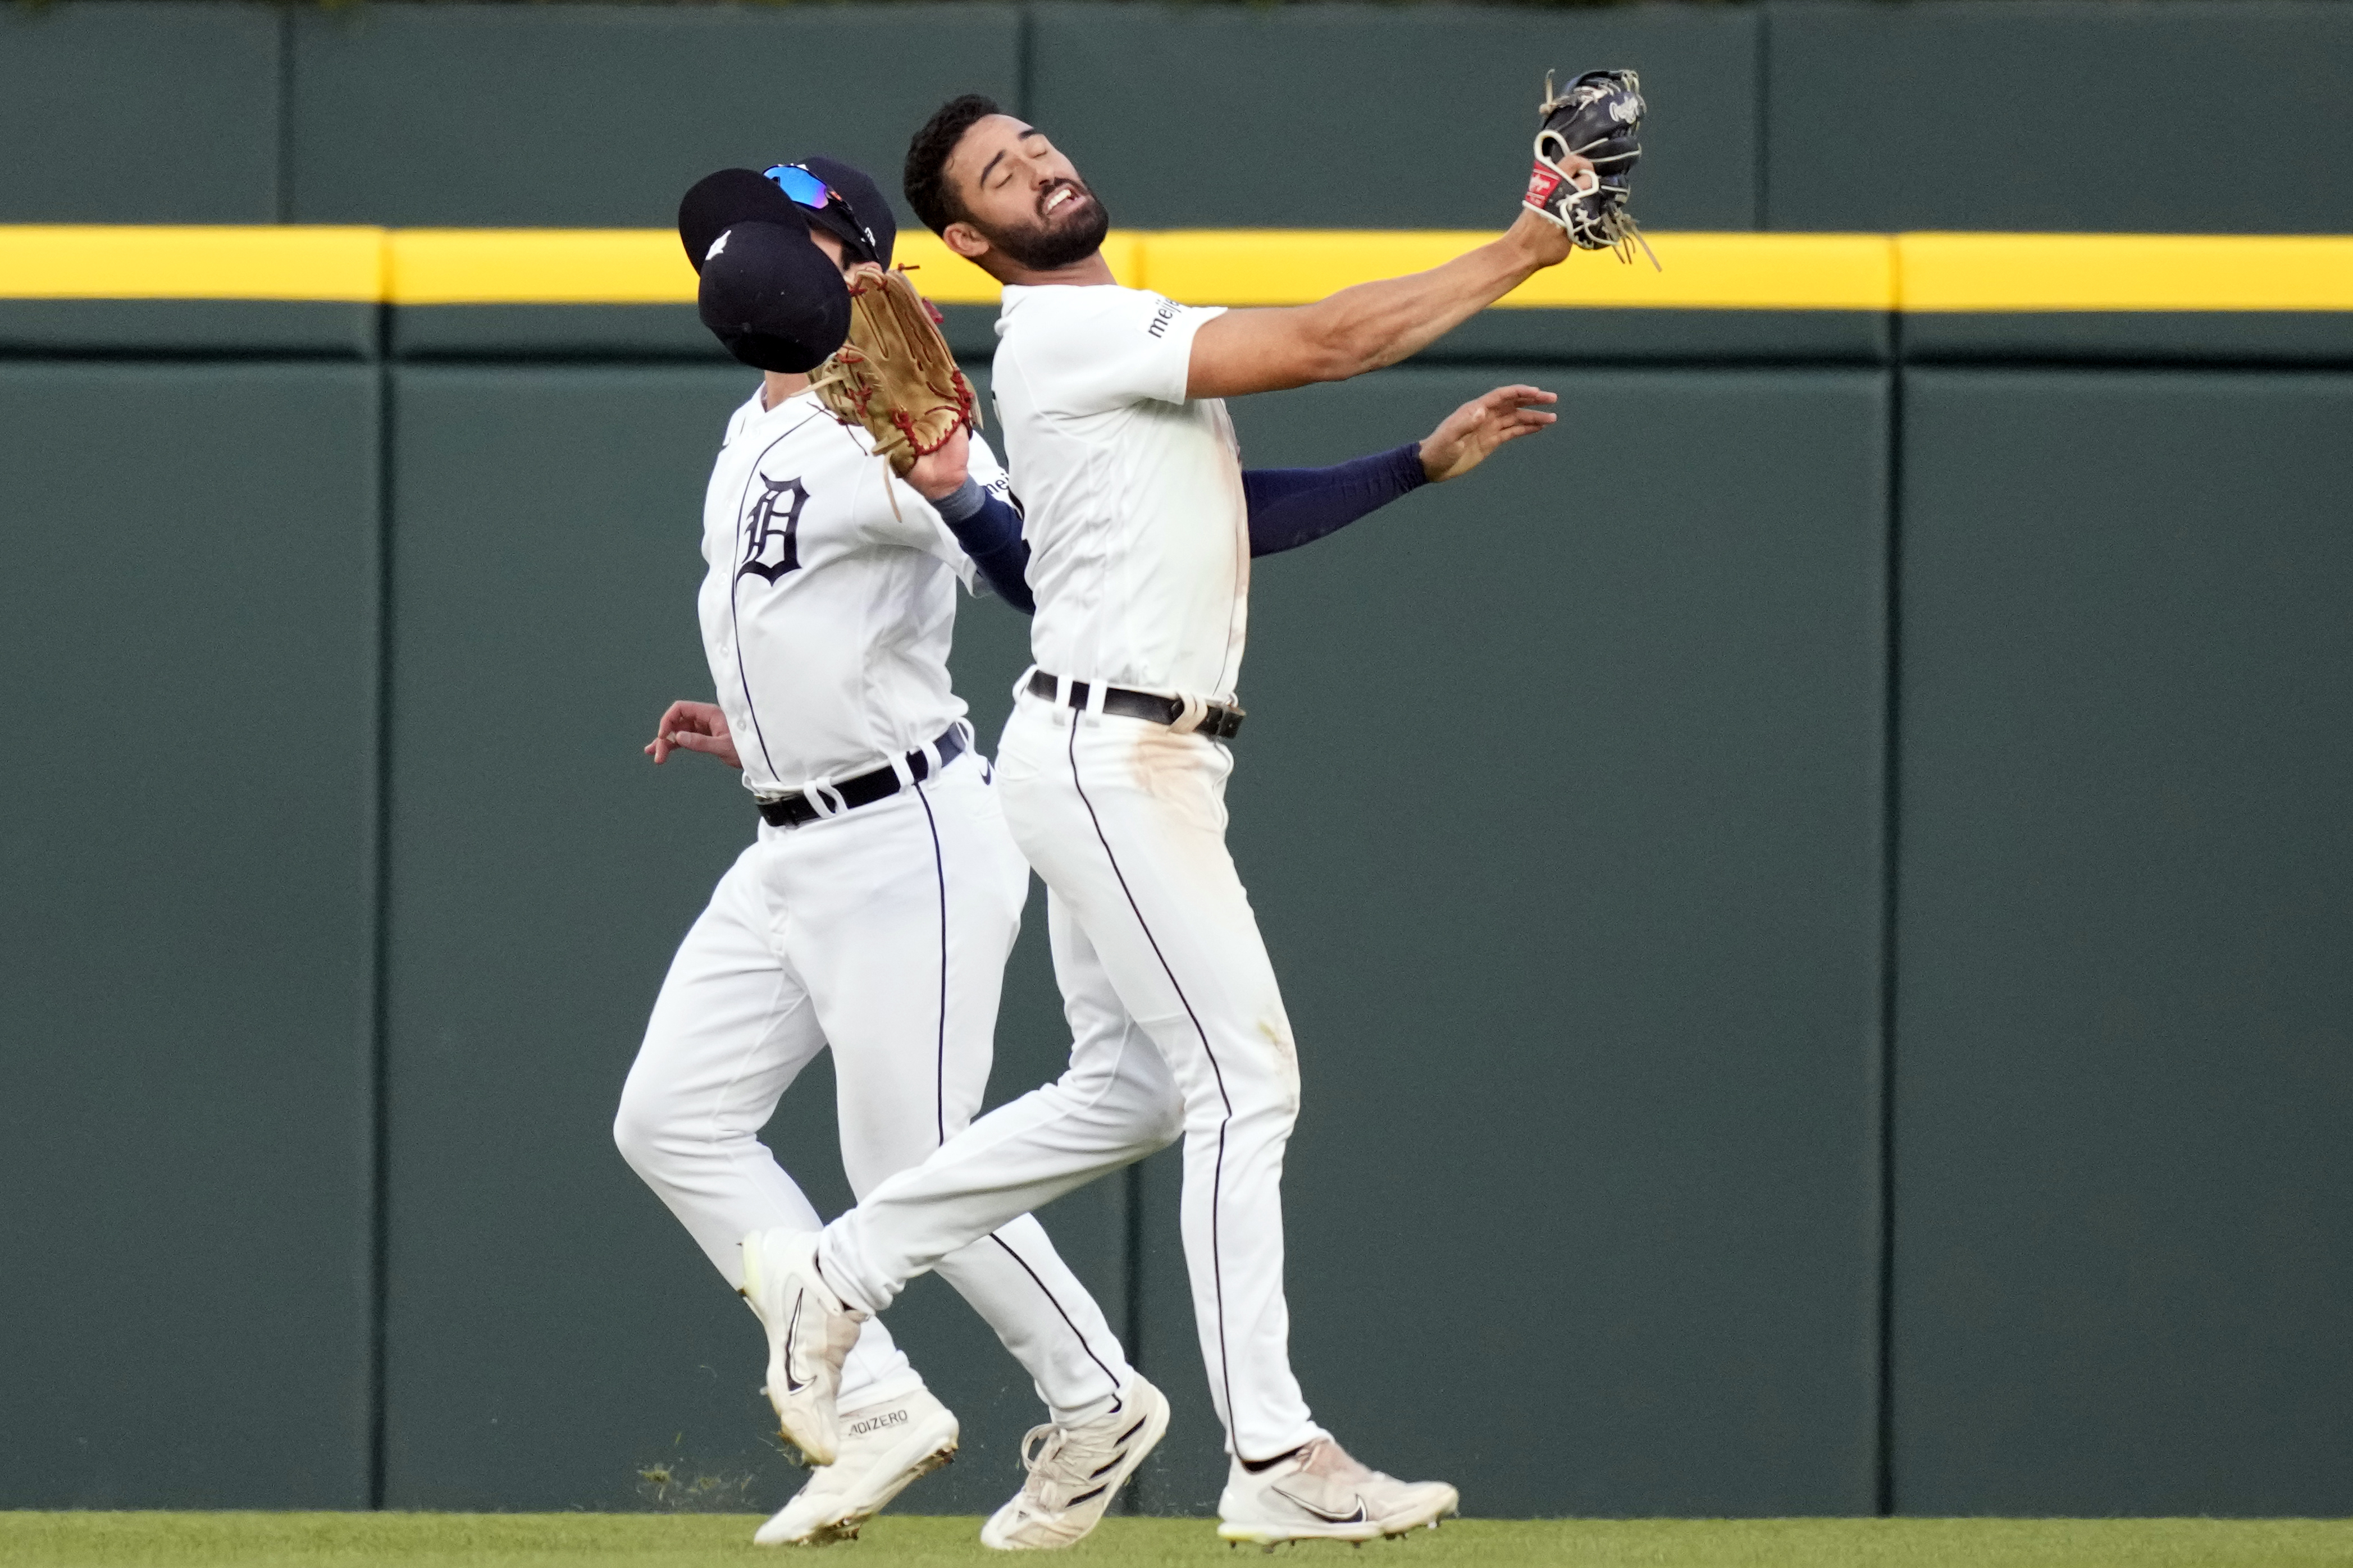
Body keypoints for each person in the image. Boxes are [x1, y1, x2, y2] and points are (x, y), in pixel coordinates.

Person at [740, 97, 1578, 1548]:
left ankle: (844, 1266)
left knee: (1128, 1092)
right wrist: (1524, 245)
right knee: (1246, 1083)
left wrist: (1412, 467)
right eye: (1000, 173)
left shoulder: (1118, 334)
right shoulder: (1066, 334)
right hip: (1108, 757)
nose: (1041, 166)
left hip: (1141, 756)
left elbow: (1218, 512)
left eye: (1037, 145)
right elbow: (1326, 340)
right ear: (962, 237)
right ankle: (1270, 1452)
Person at [613, 158, 1153, 1550]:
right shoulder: (759, 416)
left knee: (911, 1160)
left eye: (776, 228)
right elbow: (824, 618)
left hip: (905, 831)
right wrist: (763, 728)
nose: (735, 248)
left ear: (847, 261)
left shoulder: (890, 417)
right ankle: (880, 1408)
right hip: (792, 829)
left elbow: (1032, 567)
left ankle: (1097, 1398)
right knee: (670, 1116)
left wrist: (956, 472)